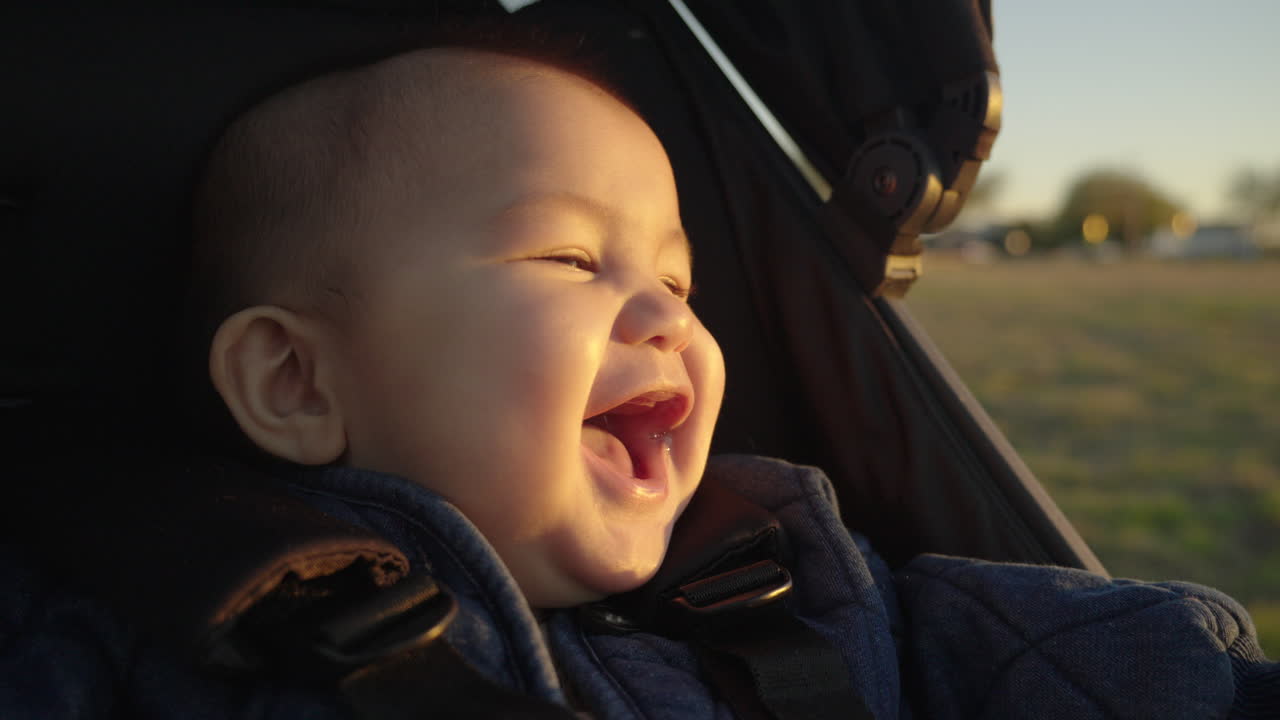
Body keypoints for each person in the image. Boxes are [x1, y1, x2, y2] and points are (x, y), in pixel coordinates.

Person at [4, 43, 1276, 719]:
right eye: (565, 256)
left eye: (677, 280)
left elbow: (1119, 670)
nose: (664, 316)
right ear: (293, 380)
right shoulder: (136, 627)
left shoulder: (802, 579)